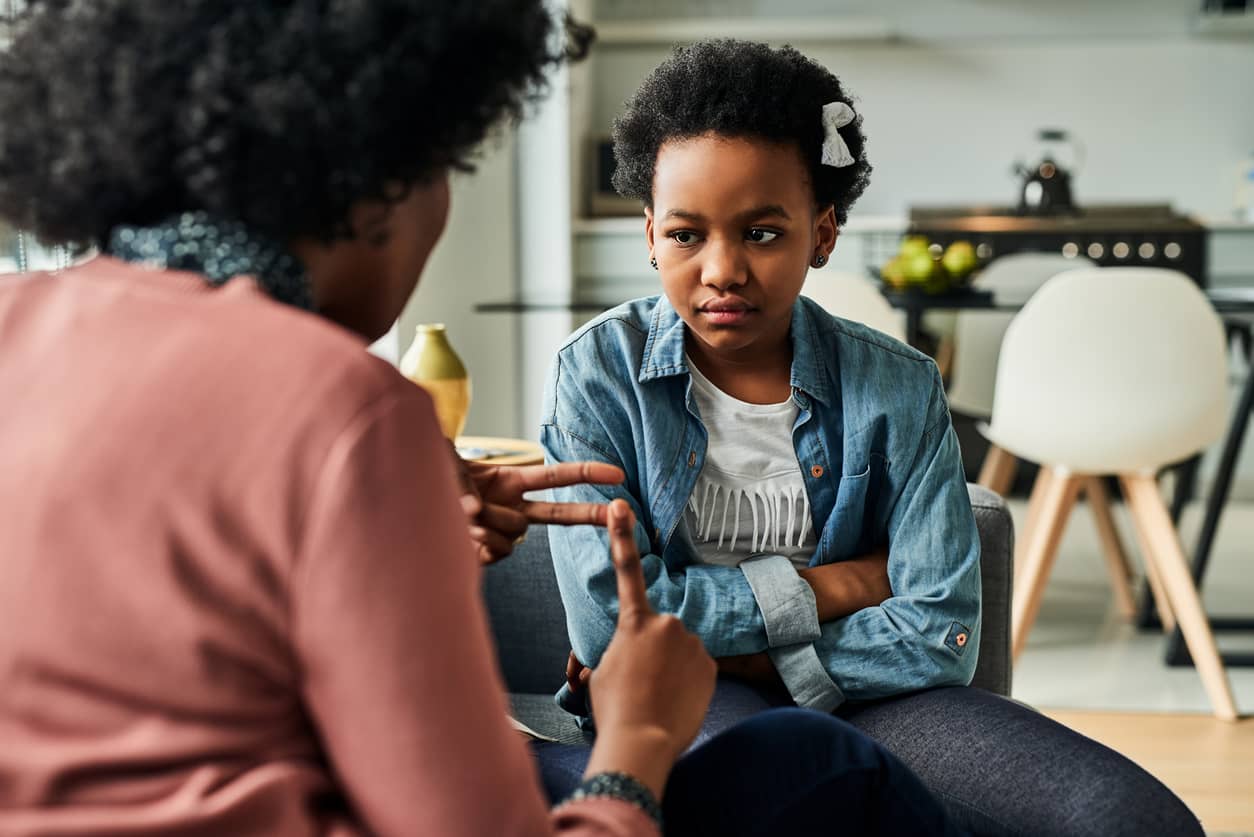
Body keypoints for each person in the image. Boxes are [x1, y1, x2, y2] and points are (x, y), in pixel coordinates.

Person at [0, 5, 968, 836]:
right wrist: (636, 738)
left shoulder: (16, 321)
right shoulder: (347, 410)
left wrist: (410, 541)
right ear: (386, 185)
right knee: (814, 764)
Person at [541, 38, 1205, 837]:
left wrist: (750, 652)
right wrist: (836, 587)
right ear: (650, 234)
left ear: (822, 234)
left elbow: (940, 631)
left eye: (761, 233)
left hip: (882, 694)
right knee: (788, 798)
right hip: (695, 703)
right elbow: (613, 629)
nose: (721, 269)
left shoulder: (898, 385)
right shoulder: (596, 376)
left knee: (1135, 819)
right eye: (687, 234)